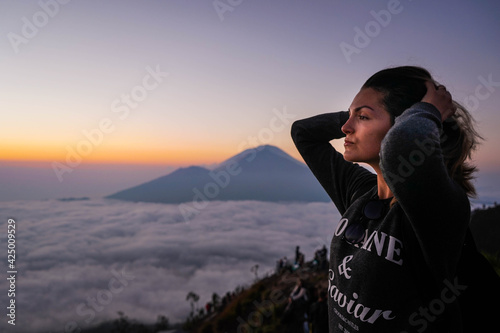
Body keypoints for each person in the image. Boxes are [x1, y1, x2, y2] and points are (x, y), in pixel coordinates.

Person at [291, 66, 482, 332]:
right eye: (349, 117)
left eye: (363, 117)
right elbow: (303, 133)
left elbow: (400, 146)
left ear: (402, 125)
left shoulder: (433, 208)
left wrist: (430, 111)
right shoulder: (360, 192)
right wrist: (356, 116)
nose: (346, 128)